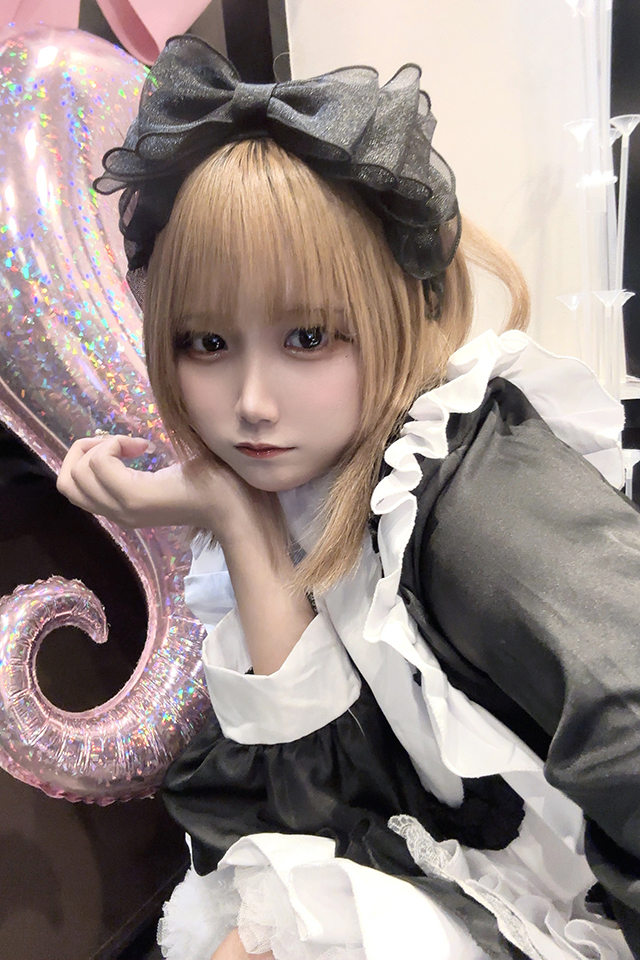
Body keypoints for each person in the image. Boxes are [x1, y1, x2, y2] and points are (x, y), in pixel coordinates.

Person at [57, 35, 640, 960]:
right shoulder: (320, 484)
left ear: (397, 305)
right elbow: (319, 796)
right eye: (206, 343)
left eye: (309, 337)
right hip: (458, 870)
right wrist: (233, 517)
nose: (252, 403)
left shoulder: (468, 497)